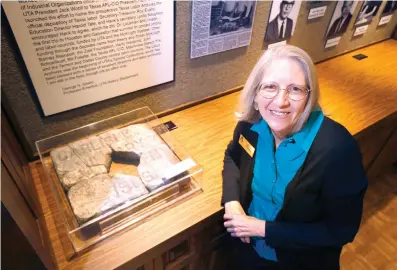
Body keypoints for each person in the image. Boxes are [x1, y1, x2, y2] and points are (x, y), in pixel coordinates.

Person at [221, 45, 368, 270]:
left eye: (295, 89)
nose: (281, 102)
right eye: (270, 86)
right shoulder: (249, 128)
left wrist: (261, 228)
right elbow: (232, 156)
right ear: (255, 93)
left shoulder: (338, 149)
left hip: (298, 262)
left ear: (310, 97)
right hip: (246, 250)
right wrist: (232, 203)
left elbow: (341, 230)